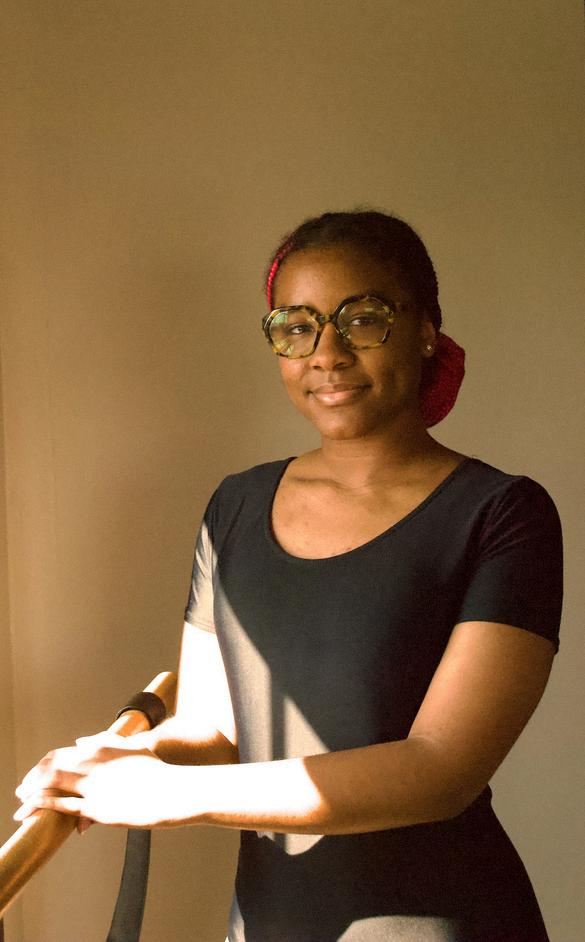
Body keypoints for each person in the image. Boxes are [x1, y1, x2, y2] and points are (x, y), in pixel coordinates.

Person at [15, 211, 563, 941]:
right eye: (296, 327)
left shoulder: (504, 514)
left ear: (426, 331)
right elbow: (218, 727)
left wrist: (167, 795)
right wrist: (126, 756)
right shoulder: (235, 506)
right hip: (267, 922)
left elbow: (440, 771)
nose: (326, 353)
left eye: (362, 319)